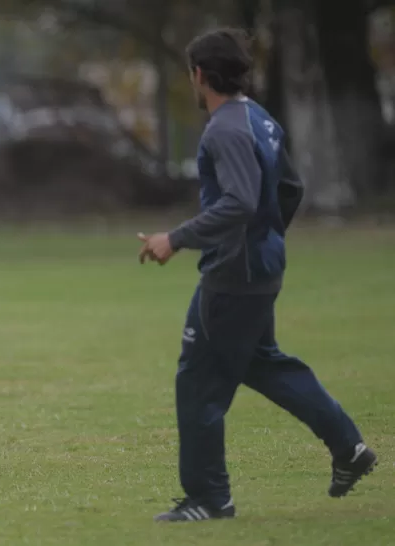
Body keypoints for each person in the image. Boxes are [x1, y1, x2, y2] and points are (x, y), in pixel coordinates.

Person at [138, 28, 376, 522]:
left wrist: (176, 238)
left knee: (199, 380)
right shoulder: (260, 120)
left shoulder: (224, 128)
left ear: (199, 74)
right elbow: (290, 188)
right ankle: (349, 448)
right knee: (262, 363)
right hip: (259, 267)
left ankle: (209, 498)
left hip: (234, 275)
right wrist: (267, 239)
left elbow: (241, 201)